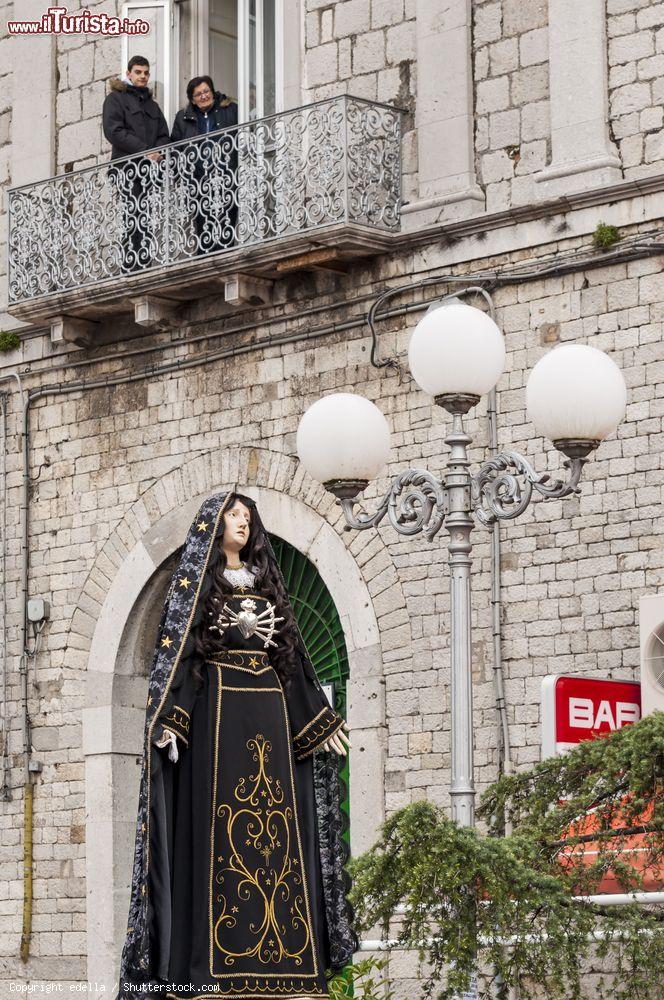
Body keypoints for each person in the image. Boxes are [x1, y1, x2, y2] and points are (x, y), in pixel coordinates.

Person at [117, 492, 357, 999]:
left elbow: (292, 663)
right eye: (233, 516)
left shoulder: (270, 588)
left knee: (280, 836)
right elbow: (184, 659)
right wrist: (172, 719)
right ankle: (212, 968)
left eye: (248, 518)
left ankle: (289, 966)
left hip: (269, 712)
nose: (241, 524)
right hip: (217, 719)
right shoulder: (201, 590)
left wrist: (316, 719)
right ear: (214, 525)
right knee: (221, 833)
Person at [102, 56, 170, 272]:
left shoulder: (152, 106)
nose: (143, 76)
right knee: (132, 215)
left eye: (146, 73)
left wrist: (158, 152)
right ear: (129, 73)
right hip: (127, 169)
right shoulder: (116, 99)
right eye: (138, 72)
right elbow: (114, 131)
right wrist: (145, 151)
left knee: (146, 216)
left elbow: (163, 134)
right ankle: (130, 266)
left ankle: (144, 262)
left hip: (150, 171)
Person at [171, 76, 239, 255]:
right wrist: (181, 178)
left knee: (227, 226)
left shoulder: (230, 109)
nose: (203, 96)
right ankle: (206, 261)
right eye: (198, 94)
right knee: (203, 229)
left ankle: (226, 259)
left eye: (206, 91)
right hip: (198, 182)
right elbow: (175, 149)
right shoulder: (182, 117)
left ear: (213, 92)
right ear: (192, 99)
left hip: (227, 178)